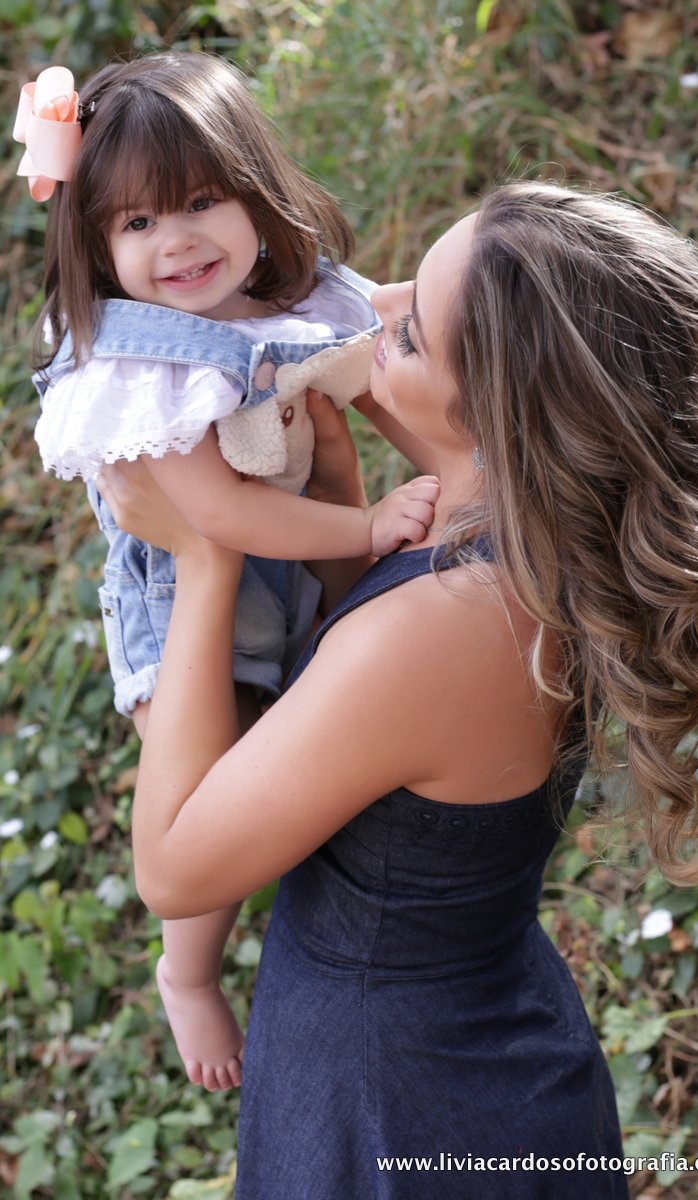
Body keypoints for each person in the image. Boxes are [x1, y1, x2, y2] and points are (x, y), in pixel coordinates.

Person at [97, 180, 698, 1199]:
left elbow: (171, 869)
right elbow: (385, 729)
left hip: (396, 1105)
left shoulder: (448, 627)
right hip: (486, 1049)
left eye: (411, 333)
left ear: (500, 412)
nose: (370, 312)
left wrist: (205, 555)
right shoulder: (546, 536)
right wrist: (338, 493)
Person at [17, 51, 438, 1092]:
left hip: (285, 576)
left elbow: (380, 358)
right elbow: (216, 516)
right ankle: (188, 973)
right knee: (213, 797)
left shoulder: (287, 303)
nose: (178, 241)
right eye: (137, 222)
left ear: (255, 192)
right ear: (97, 243)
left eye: (202, 201)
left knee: (303, 755)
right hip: (180, 614)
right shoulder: (138, 366)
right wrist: (367, 523)